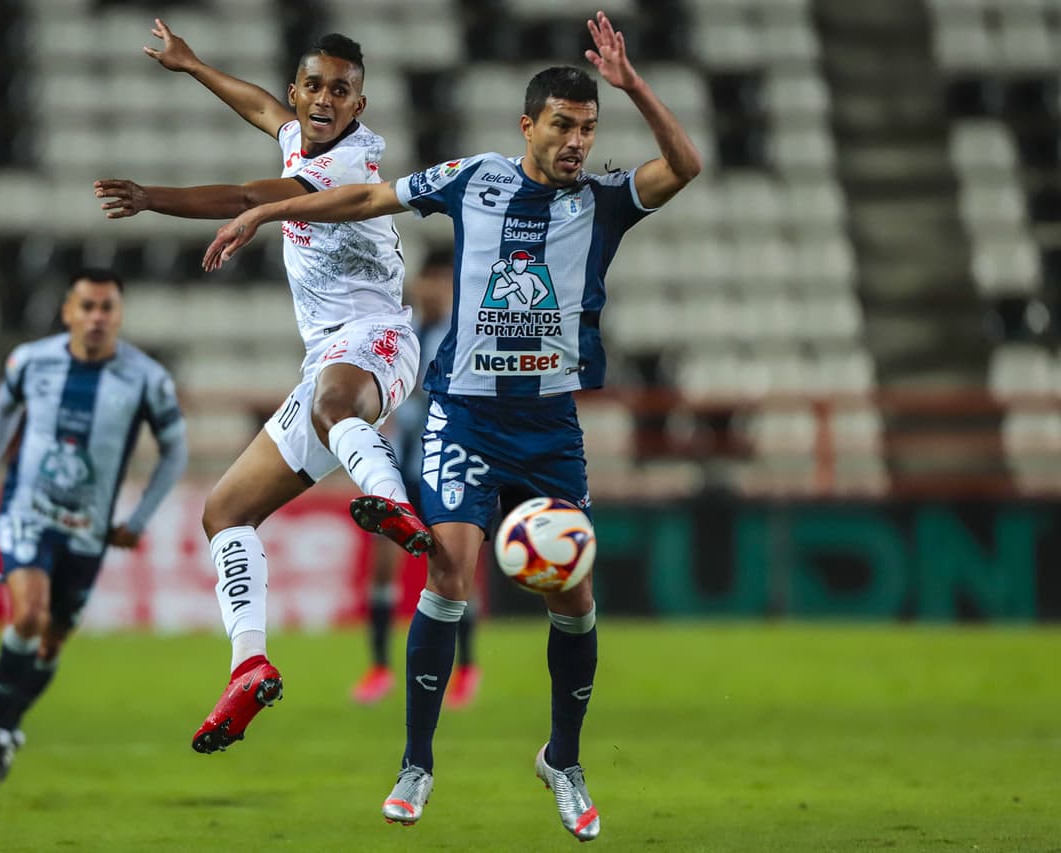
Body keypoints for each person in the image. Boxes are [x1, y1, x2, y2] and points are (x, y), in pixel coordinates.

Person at [201, 11, 701, 841]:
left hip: (549, 428)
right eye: (565, 126)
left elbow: (685, 167)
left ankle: (564, 760)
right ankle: (416, 763)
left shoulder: (606, 201)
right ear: (529, 126)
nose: (579, 141)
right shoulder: (474, 178)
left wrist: (636, 88)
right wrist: (266, 212)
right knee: (449, 572)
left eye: (590, 127)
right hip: (463, 415)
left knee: (572, 593)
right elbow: (368, 195)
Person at [93, 21, 432, 755]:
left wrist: (153, 196)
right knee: (224, 512)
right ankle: (248, 663)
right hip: (325, 360)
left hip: (378, 338)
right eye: (313, 85)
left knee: (335, 402)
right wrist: (191, 65)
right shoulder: (295, 133)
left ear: (359, 104)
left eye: (340, 90)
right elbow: (256, 109)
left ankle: (393, 504)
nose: (323, 99)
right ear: (298, 89)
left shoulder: (348, 165)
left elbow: (250, 191)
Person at [0, 269, 188, 790]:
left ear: (119, 315)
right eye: (87, 307)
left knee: (54, 640)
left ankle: (6, 727)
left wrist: (140, 518)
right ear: (68, 312)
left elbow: (176, 450)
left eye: (107, 308)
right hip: (27, 512)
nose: (97, 317)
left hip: (88, 529)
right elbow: (1, 412)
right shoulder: (31, 361)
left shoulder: (147, 378)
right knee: (30, 615)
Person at [350, 247, 481, 709]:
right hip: (402, 465)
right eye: (428, 283)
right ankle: (379, 667)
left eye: (441, 284)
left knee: (453, 570)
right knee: (383, 565)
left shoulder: (460, 337)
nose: (432, 292)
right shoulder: (402, 334)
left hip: (445, 465)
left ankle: (466, 669)